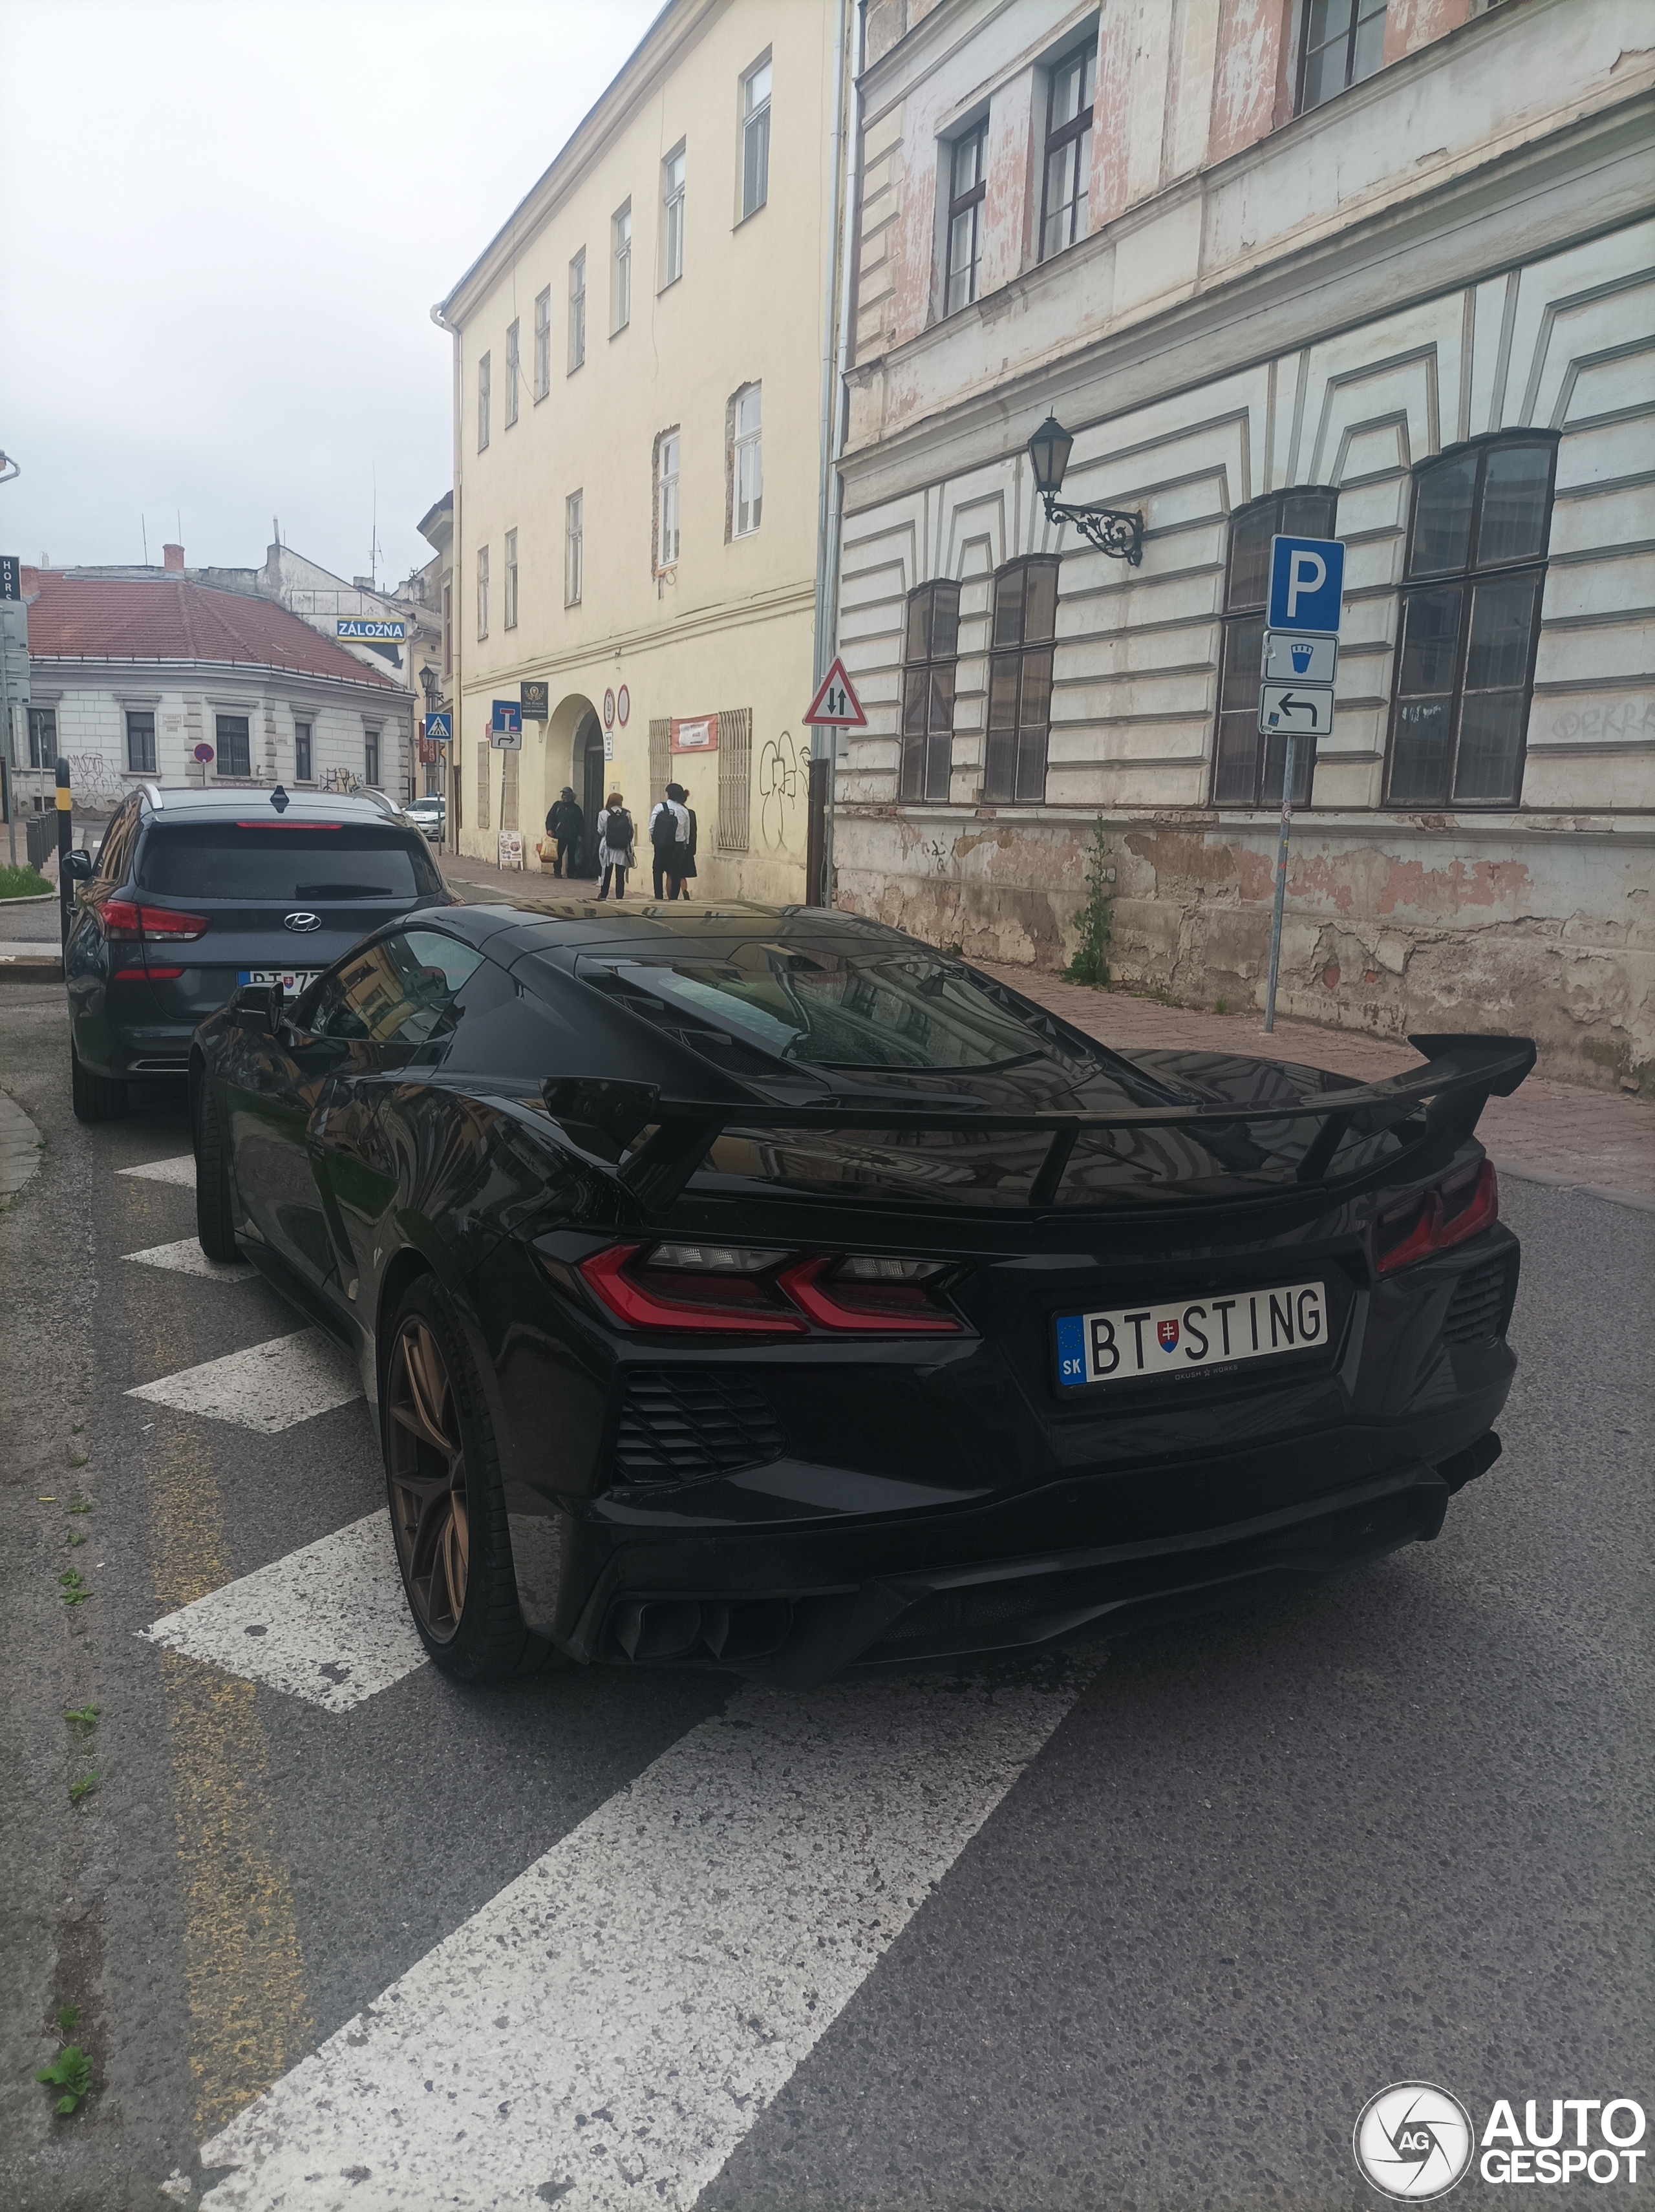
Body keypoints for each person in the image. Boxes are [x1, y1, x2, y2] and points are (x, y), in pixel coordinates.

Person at [648, 781, 691, 900]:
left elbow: (651, 827)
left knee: (657, 870)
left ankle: (658, 897)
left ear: (668, 794)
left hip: (661, 845)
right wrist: (684, 845)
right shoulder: (684, 811)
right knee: (676, 874)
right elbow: (687, 832)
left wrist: (657, 840)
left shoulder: (660, 807)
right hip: (677, 847)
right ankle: (673, 899)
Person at [595, 789, 634, 899]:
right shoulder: (627, 814)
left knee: (606, 872)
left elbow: (601, 831)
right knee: (620, 874)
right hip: (622, 847)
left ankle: (604, 894)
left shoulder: (603, 813)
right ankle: (619, 896)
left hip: (607, 846)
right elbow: (630, 831)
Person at [544, 787, 584, 878]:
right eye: (563, 794)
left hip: (572, 835)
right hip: (559, 834)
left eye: (566, 794)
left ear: (571, 796)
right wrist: (549, 829)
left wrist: (580, 834)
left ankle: (571, 873)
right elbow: (550, 818)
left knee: (572, 856)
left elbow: (580, 822)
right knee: (558, 855)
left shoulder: (576, 808)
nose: (564, 796)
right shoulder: (557, 806)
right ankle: (557, 872)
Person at [675, 788, 698, 899]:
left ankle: (671, 896)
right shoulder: (691, 813)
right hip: (687, 848)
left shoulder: (674, 812)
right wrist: (692, 849)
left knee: (672, 874)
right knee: (682, 874)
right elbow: (694, 832)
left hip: (676, 847)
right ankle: (684, 890)